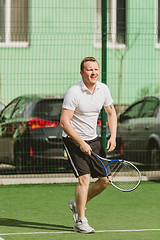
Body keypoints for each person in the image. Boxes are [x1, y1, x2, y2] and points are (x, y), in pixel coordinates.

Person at [60, 57, 117, 234]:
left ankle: (77, 204)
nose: (93, 73)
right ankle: (80, 222)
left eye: (96, 69)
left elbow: (111, 112)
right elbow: (64, 122)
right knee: (84, 178)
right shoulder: (74, 92)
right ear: (82, 73)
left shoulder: (103, 89)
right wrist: (81, 143)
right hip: (72, 139)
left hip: (93, 138)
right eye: (89, 70)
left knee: (104, 181)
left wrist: (113, 136)